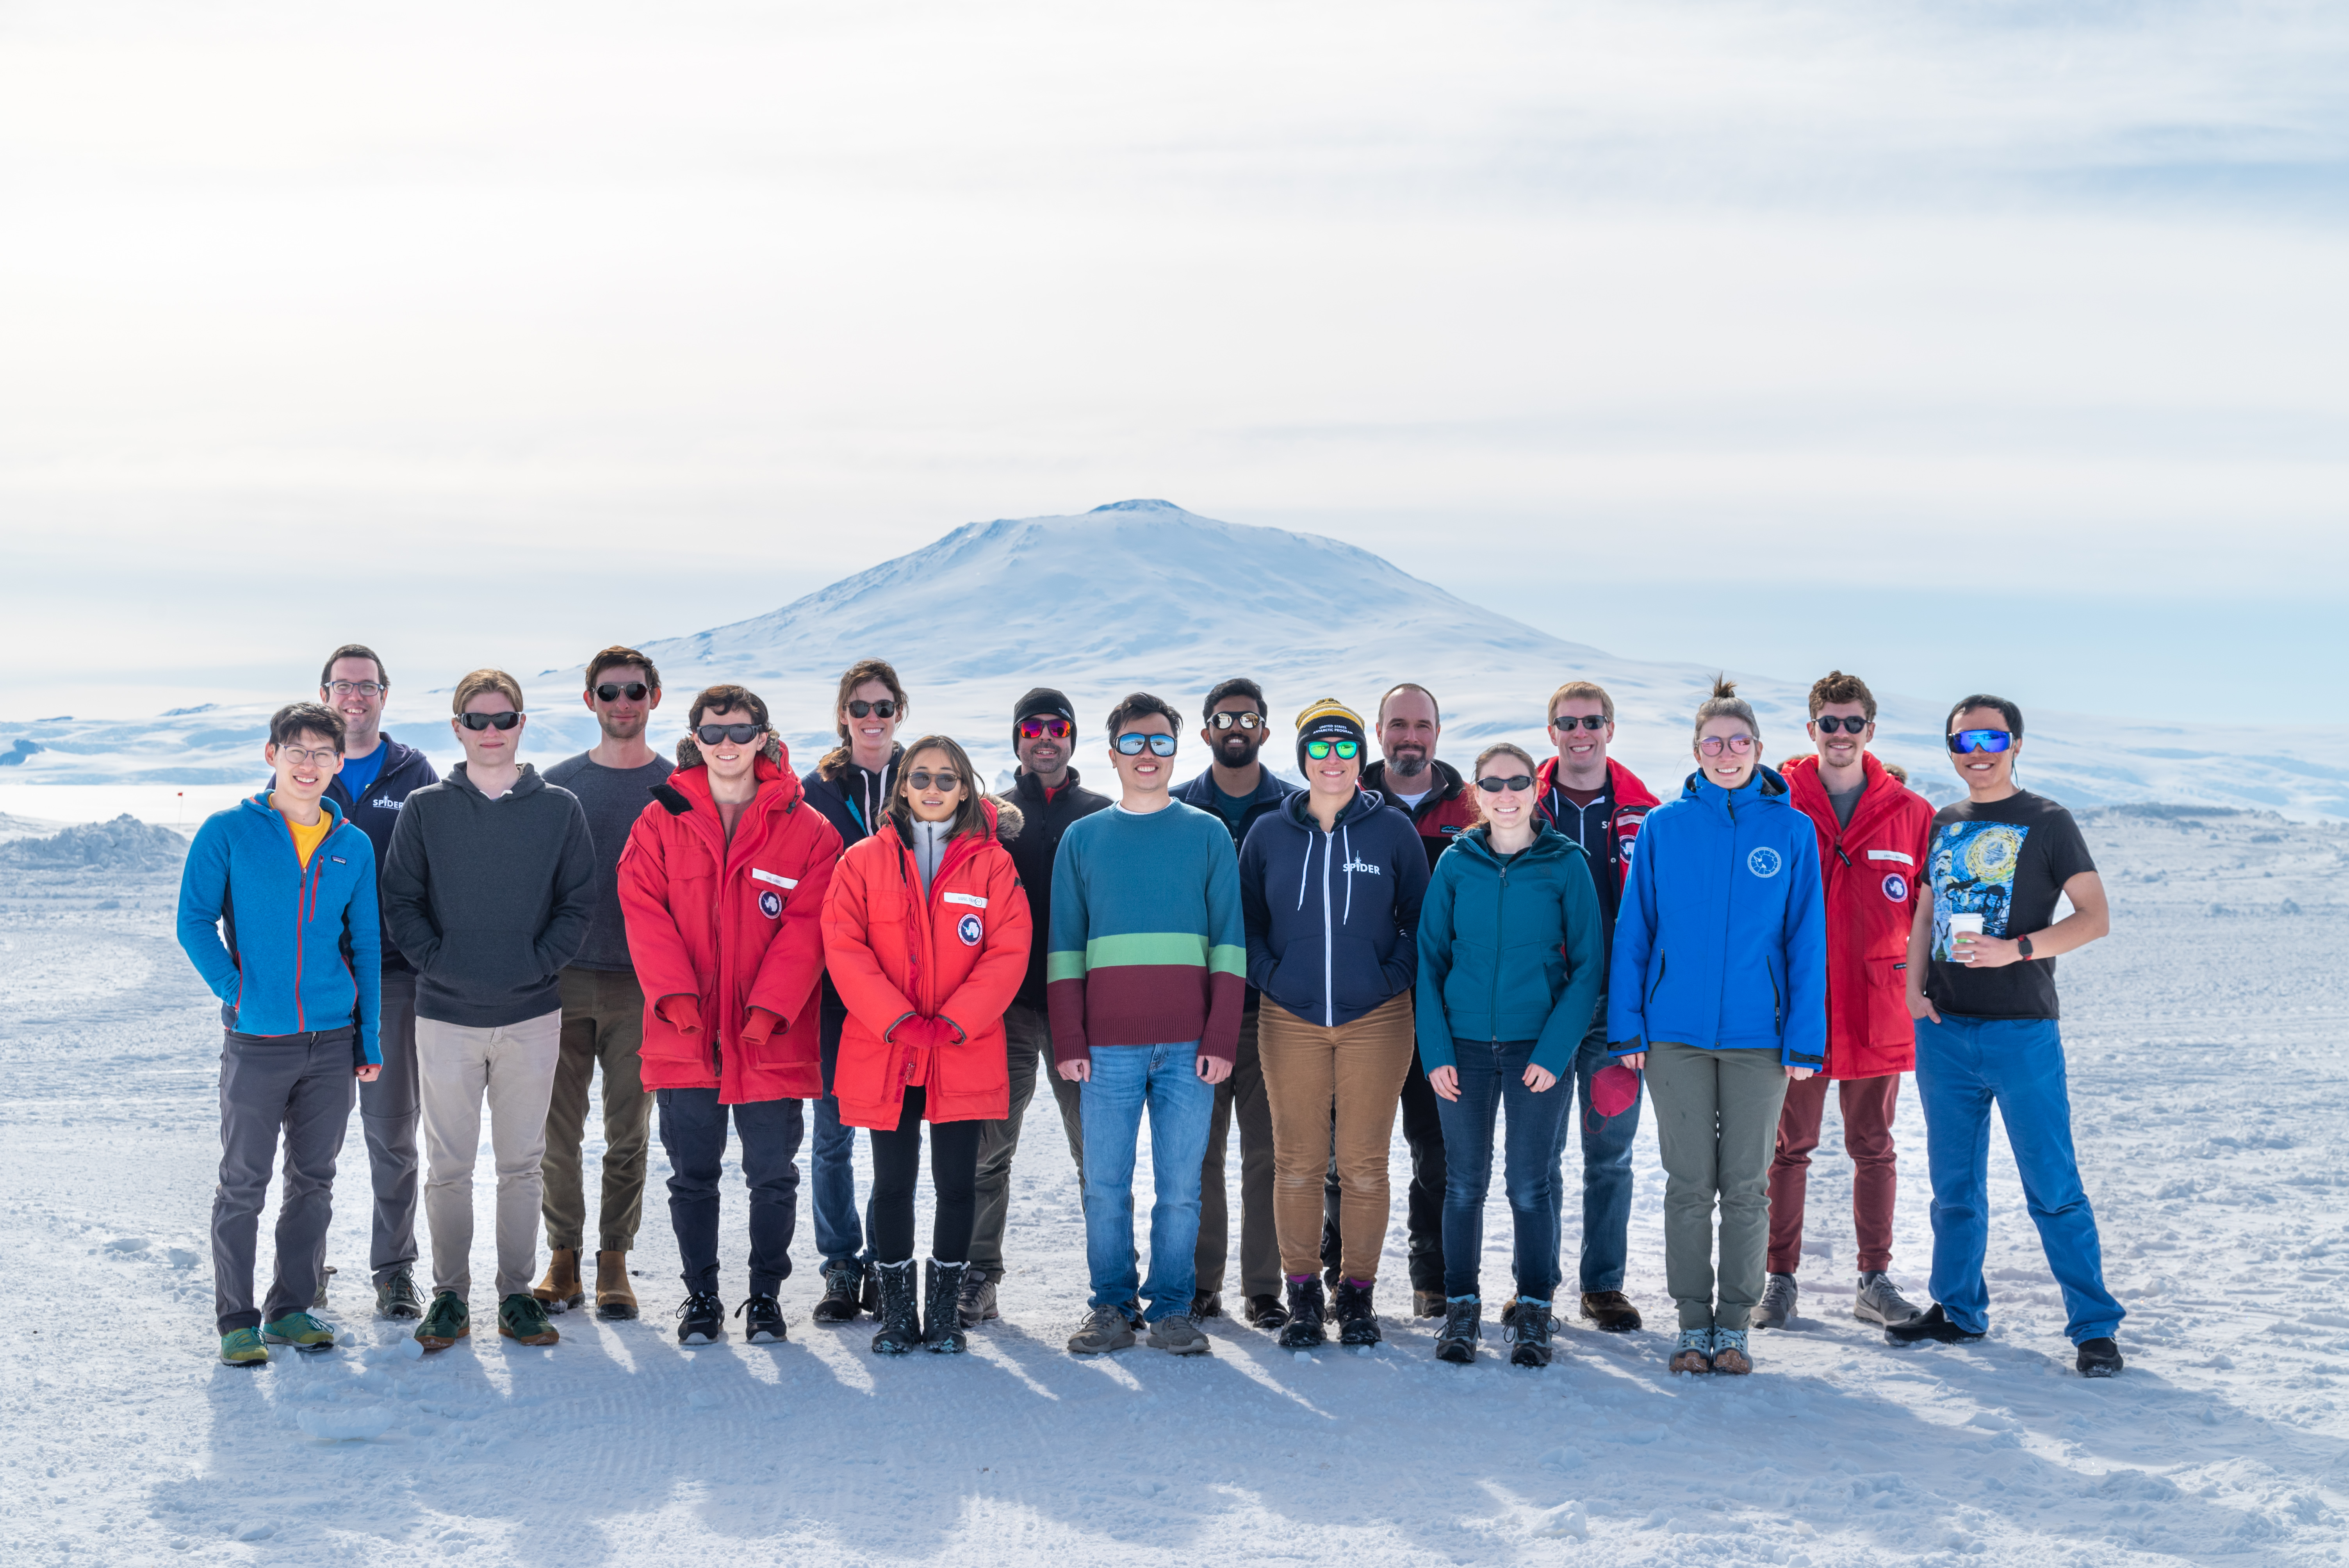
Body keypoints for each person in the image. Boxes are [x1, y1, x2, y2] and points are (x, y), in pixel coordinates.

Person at [1890, 696, 2124, 1377]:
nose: (1977, 751)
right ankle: (1958, 1310)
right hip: (1946, 1031)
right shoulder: (1947, 820)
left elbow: (2094, 918)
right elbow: (1929, 903)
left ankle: (2094, 1328)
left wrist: (2018, 948)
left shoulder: (2049, 821)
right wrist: (1913, 985)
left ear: (2016, 744)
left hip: (2022, 1031)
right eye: (1963, 740)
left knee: (2052, 1185)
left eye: (1992, 737)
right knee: (1954, 1188)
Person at [1609, 677, 1826, 1377]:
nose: (1726, 753)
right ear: (1695, 750)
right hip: (1672, 1035)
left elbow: (1804, 941)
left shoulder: (1791, 830)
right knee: (1687, 1183)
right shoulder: (1666, 828)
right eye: (1713, 742)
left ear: (1759, 749)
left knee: (1746, 1185)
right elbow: (1635, 929)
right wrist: (1629, 1027)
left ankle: (1733, 1326)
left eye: (1738, 742)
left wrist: (1803, 1037)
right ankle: (1691, 1323)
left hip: (1759, 1040)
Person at [381, 670, 597, 1352]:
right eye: (477, 720)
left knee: (522, 1164)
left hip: (531, 1015)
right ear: (457, 729)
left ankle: (514, 1294)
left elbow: (578, 907)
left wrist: (533, 965)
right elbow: (401, 906)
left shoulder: (558, 809)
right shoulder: (425, 809)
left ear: (522, 725)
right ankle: (449, 1296)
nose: (491, 731)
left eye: (503, 718)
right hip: (445, 1015)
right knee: (446, 1164)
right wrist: (443, 965)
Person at [618, 686, 841, 1345]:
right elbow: (642, 910)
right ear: (695, 740)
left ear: (764, 738)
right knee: (693, 1175)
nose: (727, 746)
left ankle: (767, 1297)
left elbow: (809, 929)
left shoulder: (808, 830)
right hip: (684, 1031)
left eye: (740, 732)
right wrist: (678, 999)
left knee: (772, 1173)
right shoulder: (660, 819)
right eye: (712, 734)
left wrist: (770, 1010)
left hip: (770, 1035)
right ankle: (702, 1297)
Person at [179, 702, 383, 1364]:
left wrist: (368, 1038)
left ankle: (290, 1309)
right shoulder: (229, 831)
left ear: (339, 762)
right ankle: (236, 1319)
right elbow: (194, 923)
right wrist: (241, 994)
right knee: (243, 1182)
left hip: (330, 1041)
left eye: (322, 753)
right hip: (257, 1042)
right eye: (295, 750)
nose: (308, 764)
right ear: (272, 756)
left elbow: (368, 948)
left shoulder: (352, 845)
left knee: (315, 1179)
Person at [822, 736, 1032, 1354]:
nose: (933, 789)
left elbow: (1007, 950)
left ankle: (941, 1315)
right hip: (889, 1046)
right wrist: (897, 1020)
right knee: (892, 1182)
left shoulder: (993, 865)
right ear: (903, 788)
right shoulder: (862, 861)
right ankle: (895, 1316)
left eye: (947, 778)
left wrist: (957, 1022)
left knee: (957, 1182)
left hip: (961, 1047)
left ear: (966, 788)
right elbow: (845, 946)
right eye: (921, 778)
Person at [1050, 693, 1243, 1356]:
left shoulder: (1208, 834)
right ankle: (1110, 1307)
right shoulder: (1084, 839)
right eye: (1134, 743)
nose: (1148, 754)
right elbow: (1065, 949)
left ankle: (1171, 1311)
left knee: (1181, 1189)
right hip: (1106, 1047)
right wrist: (1070, 1039)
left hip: (1189, 1046)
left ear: (1175, 751)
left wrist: (1220, 1038)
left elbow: (1230, 947)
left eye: (1160, 742)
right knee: (1104, 1185)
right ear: (1113, 755)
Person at [1239, 698, 1426, 1349]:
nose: (1334, 761)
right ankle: (1303, 1298)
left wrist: (1387, 978)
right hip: (1289, 1018)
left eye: (1346, 749)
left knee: (1364, 1164)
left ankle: (1358, 1294)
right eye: (1320, 749)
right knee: (1296, 1162)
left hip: (1376, 1018)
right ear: (1303, 759)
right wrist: (1271, 974)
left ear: (1360, 757)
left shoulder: (1392, 829)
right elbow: (1248, 922)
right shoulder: (1268, 832)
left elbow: (1417, 921)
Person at [1417, 742, 1604, 1368]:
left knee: (1530, 1185)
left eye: (1518, 782)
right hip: (1463, 1049)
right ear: (1476, 792)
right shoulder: (1455, 865)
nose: (1506, 795)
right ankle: (1462, 1309)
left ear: (1534, 789)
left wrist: (1556, 1052)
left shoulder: (1566, 864)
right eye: (1492, 784)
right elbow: (1430, 962)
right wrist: (1437, 1049)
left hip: (1536, 1049)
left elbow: (1587, 970)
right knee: (1464, 1185)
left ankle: (1533, 1311)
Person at [1757, 671, 1932, 1331]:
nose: (1840, 734)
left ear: (1870, 731)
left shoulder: (1911, 813)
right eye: (1829, 723)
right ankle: (1777, 1279)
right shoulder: (1777, 803)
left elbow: (1928, 914)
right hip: (1798, 1006)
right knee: (1788, 1146)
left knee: (1874, 1145)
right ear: (1811, 731)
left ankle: (1875, 1278)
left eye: (1852, 723)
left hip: (1876, 1006)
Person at [534, 647, 672, 1322]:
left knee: (629, 1131)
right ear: (590, 700)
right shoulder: (558, 786)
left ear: (654, 698)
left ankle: (614, 1258)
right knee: (555, 1131)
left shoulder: (681, 788)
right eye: (610, 692)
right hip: (562, 982)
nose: (624, 704)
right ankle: (562, 1257)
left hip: (644, 990)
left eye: (635, 691)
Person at [964, 688, 1108, 1326]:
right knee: (989, 1148)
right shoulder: (992, 815)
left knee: (1096, 1154)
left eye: (1057, 727)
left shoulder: (1102, 814)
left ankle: (1113, 1284)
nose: (1044, 737)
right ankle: (977, 1276)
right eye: (1032, 728)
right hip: (1009, 1007)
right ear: (1017, 738)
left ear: (1072, 738)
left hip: (1084, 1007)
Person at [1531, 679, 1661, 1335]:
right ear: (1551, 731)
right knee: (1542, 1153)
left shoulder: (1648, 813)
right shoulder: (1524, 806)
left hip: (1618, 1012)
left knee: (1609, 1153)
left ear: (1611, 728)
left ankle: (1604, 1285)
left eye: (1592, 721)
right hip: (1546, 1011)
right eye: (1567, 722)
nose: (1580, 733)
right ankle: (1538, 1286)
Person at [315, 644, 439, 1320]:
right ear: (326, 694)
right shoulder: (306, 767)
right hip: (314, 983)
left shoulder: (413, 772)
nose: (354, 697)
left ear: (384, 696)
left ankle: (394, 1270)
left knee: (392, 1133)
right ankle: (307, 1269)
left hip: (392, 979)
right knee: (314, 1139)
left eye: (367, 687)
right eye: (343, 686)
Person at [1171, 676, 1298, 1328]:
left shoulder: (1296, 808)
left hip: (1272, 1009)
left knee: (1268, 1152)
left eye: (1246, 718)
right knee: (1198, 1152)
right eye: (1223, 719)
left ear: (1265, 731)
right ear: (1206, 732)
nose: (1235, 728)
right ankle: (1200, 1282)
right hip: (1194, 1007)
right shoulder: (1176, 808)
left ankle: (1264, 1287)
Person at [1354, 682, 1475, 1317]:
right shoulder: (1347, 798)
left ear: (1437, 732)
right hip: (1367, 1006)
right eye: (1397, 724)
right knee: (1352, 1149)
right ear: (1380, 731)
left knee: (1441, 1151)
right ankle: (1342, 1277)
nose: (1410, 736)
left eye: (1421, 725)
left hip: (1443, 1013)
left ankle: (1436, 1279)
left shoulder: (1474, 810)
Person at [801, 658, 909, 1324]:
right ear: (843, 715)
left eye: (884, 707)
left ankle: (889, 1258)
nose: (872, 719)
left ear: (900, 712)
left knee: (892, 1131)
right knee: (833, 1131)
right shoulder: (815, 789)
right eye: (861, 708)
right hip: (832, 985)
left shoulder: (924, 776)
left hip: (906, 985)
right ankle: (843, 1264)